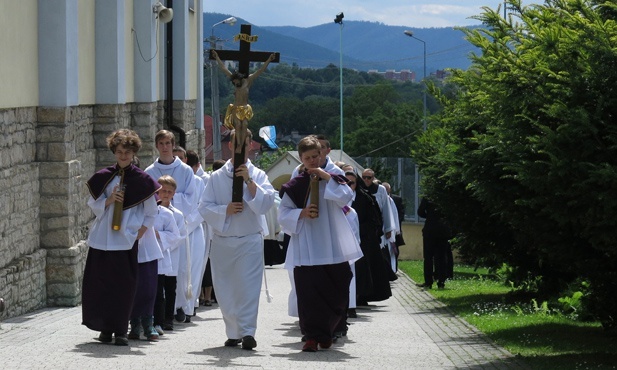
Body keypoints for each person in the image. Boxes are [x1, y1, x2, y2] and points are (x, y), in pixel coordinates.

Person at [278, 136, 363, 352]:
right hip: (307, 246)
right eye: (307, 158)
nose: (313, 161)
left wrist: (325, 176)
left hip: (332, 243)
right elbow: (283, 214)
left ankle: (328, 331)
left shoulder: (335, 178)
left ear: (322, 154)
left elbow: (346, 197)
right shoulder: (296, 185)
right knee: (308, 293)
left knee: (338, 287)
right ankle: (311, 336)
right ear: (301, 159)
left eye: (316, 156)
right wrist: (302, 213)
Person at [198, 129, 276, 350]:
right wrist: (226, 209)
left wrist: (249, 181)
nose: (240, 147)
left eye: (245, 143)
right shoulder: (216, 176)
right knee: (225, 289)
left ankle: (248, 331)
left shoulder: (258, 174)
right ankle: (233, 332)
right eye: (236, 143)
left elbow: (266, 202)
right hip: (224, 240)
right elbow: (204, 207)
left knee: (248, 288)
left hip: (250, 238)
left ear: (251, 145)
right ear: (230, 146)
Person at [82, 129, 160, 346]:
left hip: (124, 242)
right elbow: (93, 205)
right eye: (119, 152)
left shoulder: (143, 180)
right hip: (101, 239)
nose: (123, 156)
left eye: (127, 152)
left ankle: (121, 331)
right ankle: (105, 329)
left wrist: (138, 234)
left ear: (133, 152)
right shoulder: (103, 176)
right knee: (100, 285)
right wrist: (108, 201)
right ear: (114, 152)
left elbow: (152, 212)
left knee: (123, 287)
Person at [145, 131, 197, 323]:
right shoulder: (150, 171)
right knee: (157, 272)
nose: (165, 146)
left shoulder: (185, 170)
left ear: (173, 145)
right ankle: (156, 311)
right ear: (156, 146)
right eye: (161, 143)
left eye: (168, 143)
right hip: (156, 226)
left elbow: (192, 199)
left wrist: (169, 198)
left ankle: (178, 307)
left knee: (179, 269)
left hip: (177, 223)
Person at [212, 50, 276, 153]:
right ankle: (239, 145)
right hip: (236, 108)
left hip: (245, 108)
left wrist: (268, 60)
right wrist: (217, 58)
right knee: (238, 125)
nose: (234, 83)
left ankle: (241, 145)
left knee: (244, 125)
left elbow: (260, 70)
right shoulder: (235, 81)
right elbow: (224, 68)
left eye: (235, 81)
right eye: (233, 82)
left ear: (239, 79)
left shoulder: (248, 81)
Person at [173, 146, 208, 322]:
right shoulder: (167, 181)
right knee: (176, 270)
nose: (178, 160)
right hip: (174, 233)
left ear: (186, 160)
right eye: (175, 157)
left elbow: (202, 207)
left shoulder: (197, 181)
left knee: (192, 270)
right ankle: (174, 307)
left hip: (193, 230)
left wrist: (187, 224)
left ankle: (188, 306)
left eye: (181, 157)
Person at [152, 175, 185, 335]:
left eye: (169, 192)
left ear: (173, 194)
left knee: (170, 289)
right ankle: (155, 317)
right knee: (157, 289)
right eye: (163, 191)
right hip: (155, 255)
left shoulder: (177, 214)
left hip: (171, 254)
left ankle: (168, 319)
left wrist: (163, 240)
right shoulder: (152, 210)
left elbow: (180, 236)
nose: (165, 194)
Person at [417, 198, 452, 289]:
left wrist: (429, 216)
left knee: (428, 257)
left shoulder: (427, 197)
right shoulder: (446, 195)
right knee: (442, 257)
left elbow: (420, 212)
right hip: (443, 230)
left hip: (430, 230)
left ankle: (428, 282)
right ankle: (441, 281)